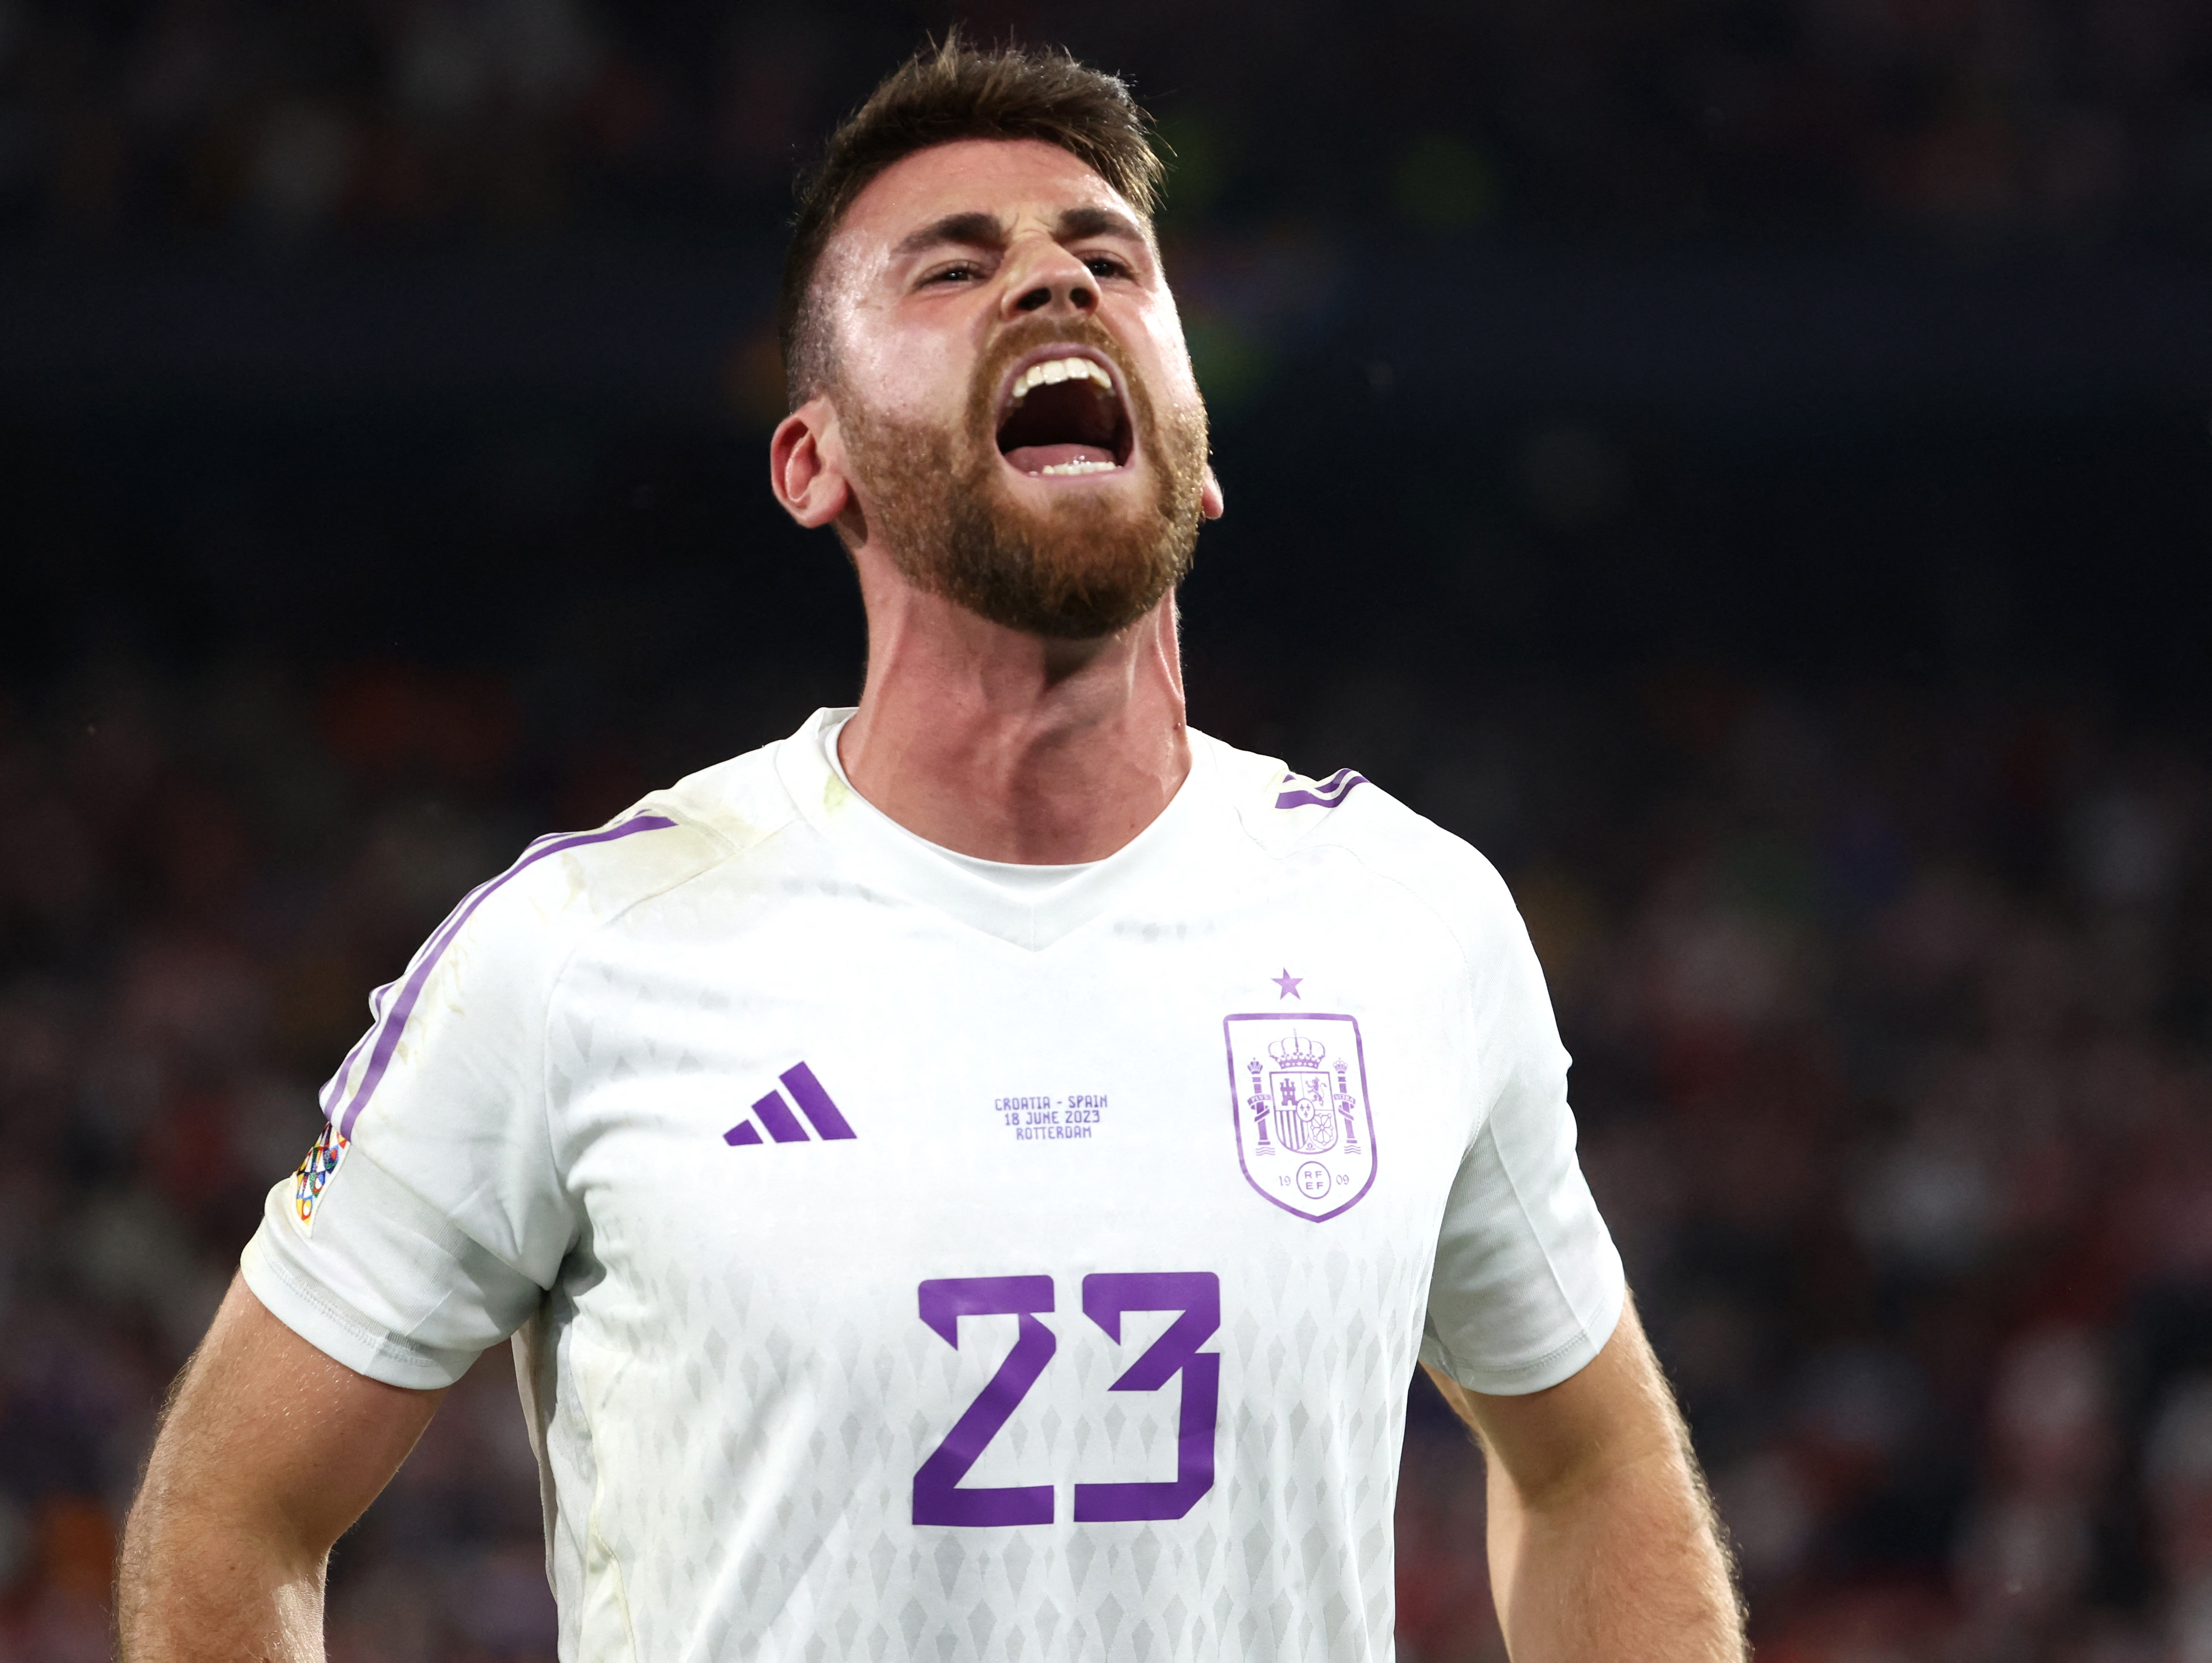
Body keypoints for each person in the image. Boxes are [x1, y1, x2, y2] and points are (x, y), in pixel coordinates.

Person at [116, 38, 1747, 1663]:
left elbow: (1592, 1459)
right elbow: (233, 1512)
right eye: (955, 268)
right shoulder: (585, 951)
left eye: (1108, 258)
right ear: (810, 459)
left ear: (1199, 438)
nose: (1056, 284)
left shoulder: (1412, 926)